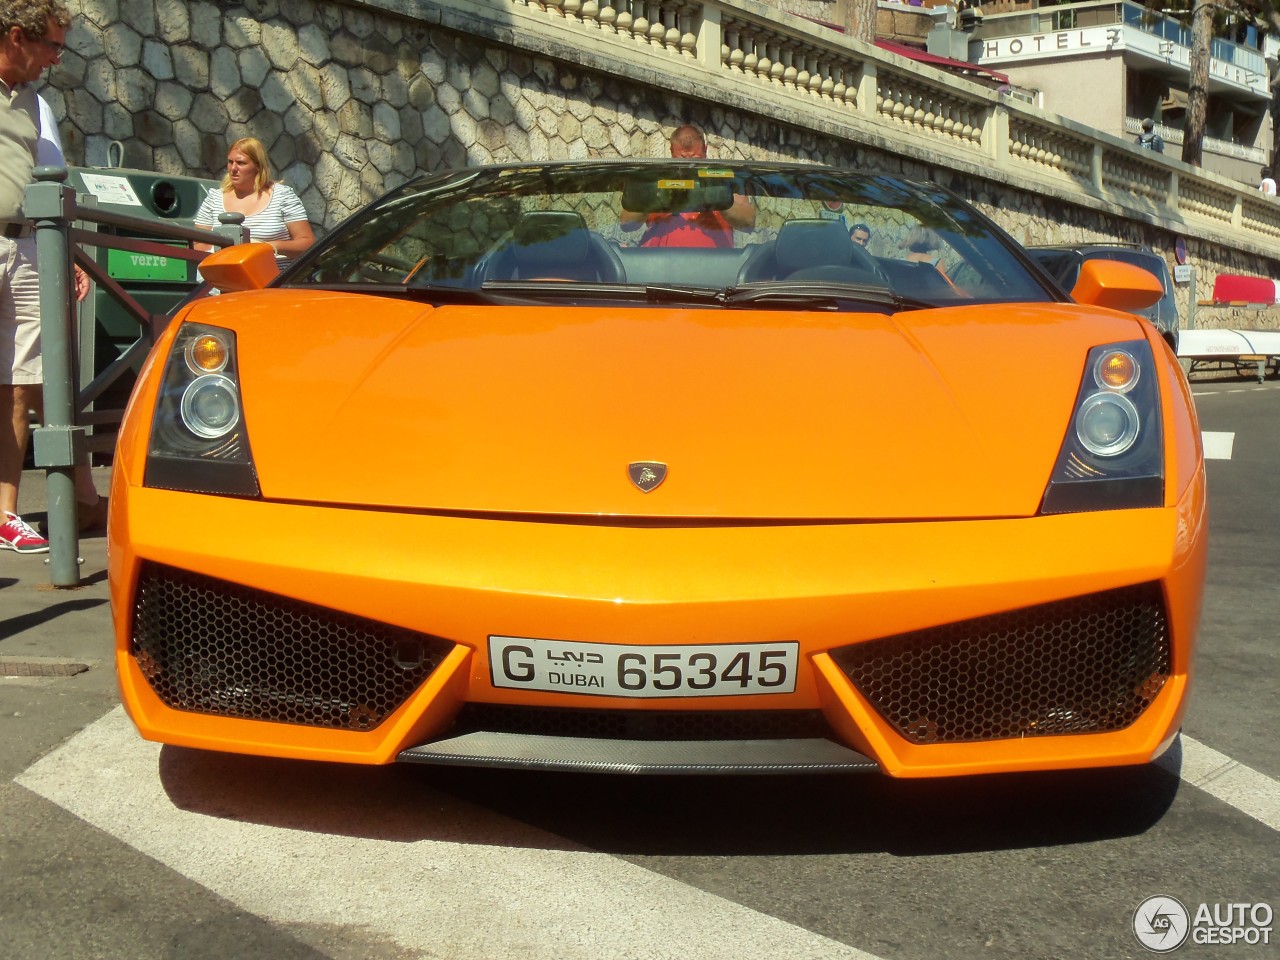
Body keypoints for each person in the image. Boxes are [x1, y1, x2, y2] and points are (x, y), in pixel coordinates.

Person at [1, 0, 99, 554]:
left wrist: (69, 256)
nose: (56, 59)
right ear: (18, 36)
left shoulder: (35, 103)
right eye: (52, 46)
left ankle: (5, 512)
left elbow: (55, 177)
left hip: (31, 245)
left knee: (21, 384)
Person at [620, 123, 755, 248]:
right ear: (671, 151)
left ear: (705, 151)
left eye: (695, 161)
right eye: (682, 161)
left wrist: (718, 198)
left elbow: (748, 223)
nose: (689, 168)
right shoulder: (655, 179)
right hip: (658, 268)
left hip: (713, 269)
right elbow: (626, 224)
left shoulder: (723, 179)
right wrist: (652, 199)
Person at [194, 137, 314, 268]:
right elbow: (198, 246)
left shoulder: (282, 197)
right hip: (222, 281)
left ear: (258, 166)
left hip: (271, 282)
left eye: (241, 163)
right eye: (230, 162)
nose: (233, 168)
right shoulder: (213, 199)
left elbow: (307, 244)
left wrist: (268, 247)